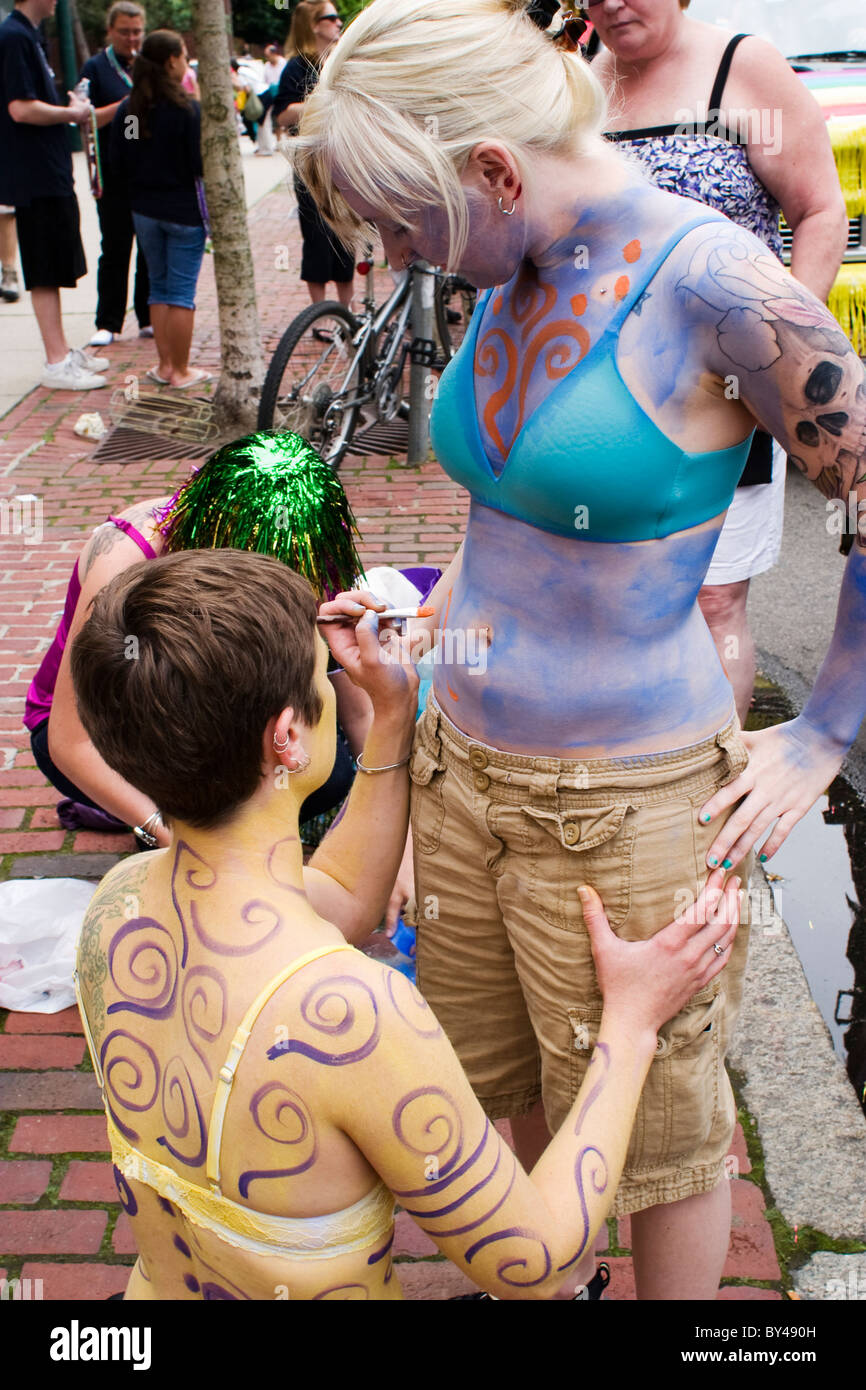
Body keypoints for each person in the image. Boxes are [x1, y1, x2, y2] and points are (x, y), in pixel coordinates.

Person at [291, 0, 866, 1299]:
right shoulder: (519, 253)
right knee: (506, 1089)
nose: (393, 260)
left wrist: (825, 726)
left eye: (402, 226)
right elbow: (523, 511)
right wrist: (431, 627)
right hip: (457, 767)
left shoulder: (715, 285)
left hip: (621, 803)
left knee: (659, 1141)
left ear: (494, 169)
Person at [71, 544, 741, 1299]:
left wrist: (393, 714)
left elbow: (343, 900)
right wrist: (631, 1023)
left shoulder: (117, 907)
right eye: (320, 681)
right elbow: (537, 1260)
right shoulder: (354, 1015)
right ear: (286, 737)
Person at [589, 0, 849, 723]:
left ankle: (716, 780)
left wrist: (780, 352)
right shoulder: (584, 80)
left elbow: (821, 210)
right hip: (614, 396)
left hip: (730, 389)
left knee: (713, 595)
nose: (608, 3)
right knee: (624, 589)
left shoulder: (743, 66)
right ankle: (636, 764)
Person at [23, 432, 372, 855]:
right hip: (116, 721)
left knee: (327, 773)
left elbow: (356, 706)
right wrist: (171, 836)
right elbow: (70, 743)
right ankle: (153, 813)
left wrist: (386, 836)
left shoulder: (306, 551)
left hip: (209, 705)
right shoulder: (124, 558)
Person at [0, 0, 110, 389]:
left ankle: (62, 351)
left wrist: (67, 106)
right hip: (33, 176)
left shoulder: (29, 35)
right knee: (44, 268)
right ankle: (55, 361)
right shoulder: (14, 37)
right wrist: (72, 114)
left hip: (48, 171)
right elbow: (20, 109)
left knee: (54, 263)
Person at [110, 29, 208, 389]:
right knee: (181, 293)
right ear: (172, 61)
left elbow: (125, 158)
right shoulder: (187, 110)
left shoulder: (133, 110)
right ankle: (181, 371)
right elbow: (198, 163)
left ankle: (165, 365)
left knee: (159, 288)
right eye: (183, 55)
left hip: (145, 210)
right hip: (182, 210)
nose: (186, 62)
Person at [79, 1, 152, 349]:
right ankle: (108, 321)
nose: (131, 39)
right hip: (112, 173)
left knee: (150, 248)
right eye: (124, 32)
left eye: (137, 31)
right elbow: (85, 117)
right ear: (110, 32)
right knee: (115, 247)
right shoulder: (95, 68)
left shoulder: (148, 63)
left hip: (147, 171)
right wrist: (126, 104)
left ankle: (148, 317)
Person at [273, 0, 354, 308]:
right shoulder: (297, 66)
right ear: (314, 25)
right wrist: (321, 104)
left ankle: (347, 310)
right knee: (317, 237)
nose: (338, 23)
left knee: (346, 235)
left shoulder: (342, 61)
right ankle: (319, 310)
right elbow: (282, 114)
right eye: (330, 18)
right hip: (310, 163)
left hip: (344, 159)